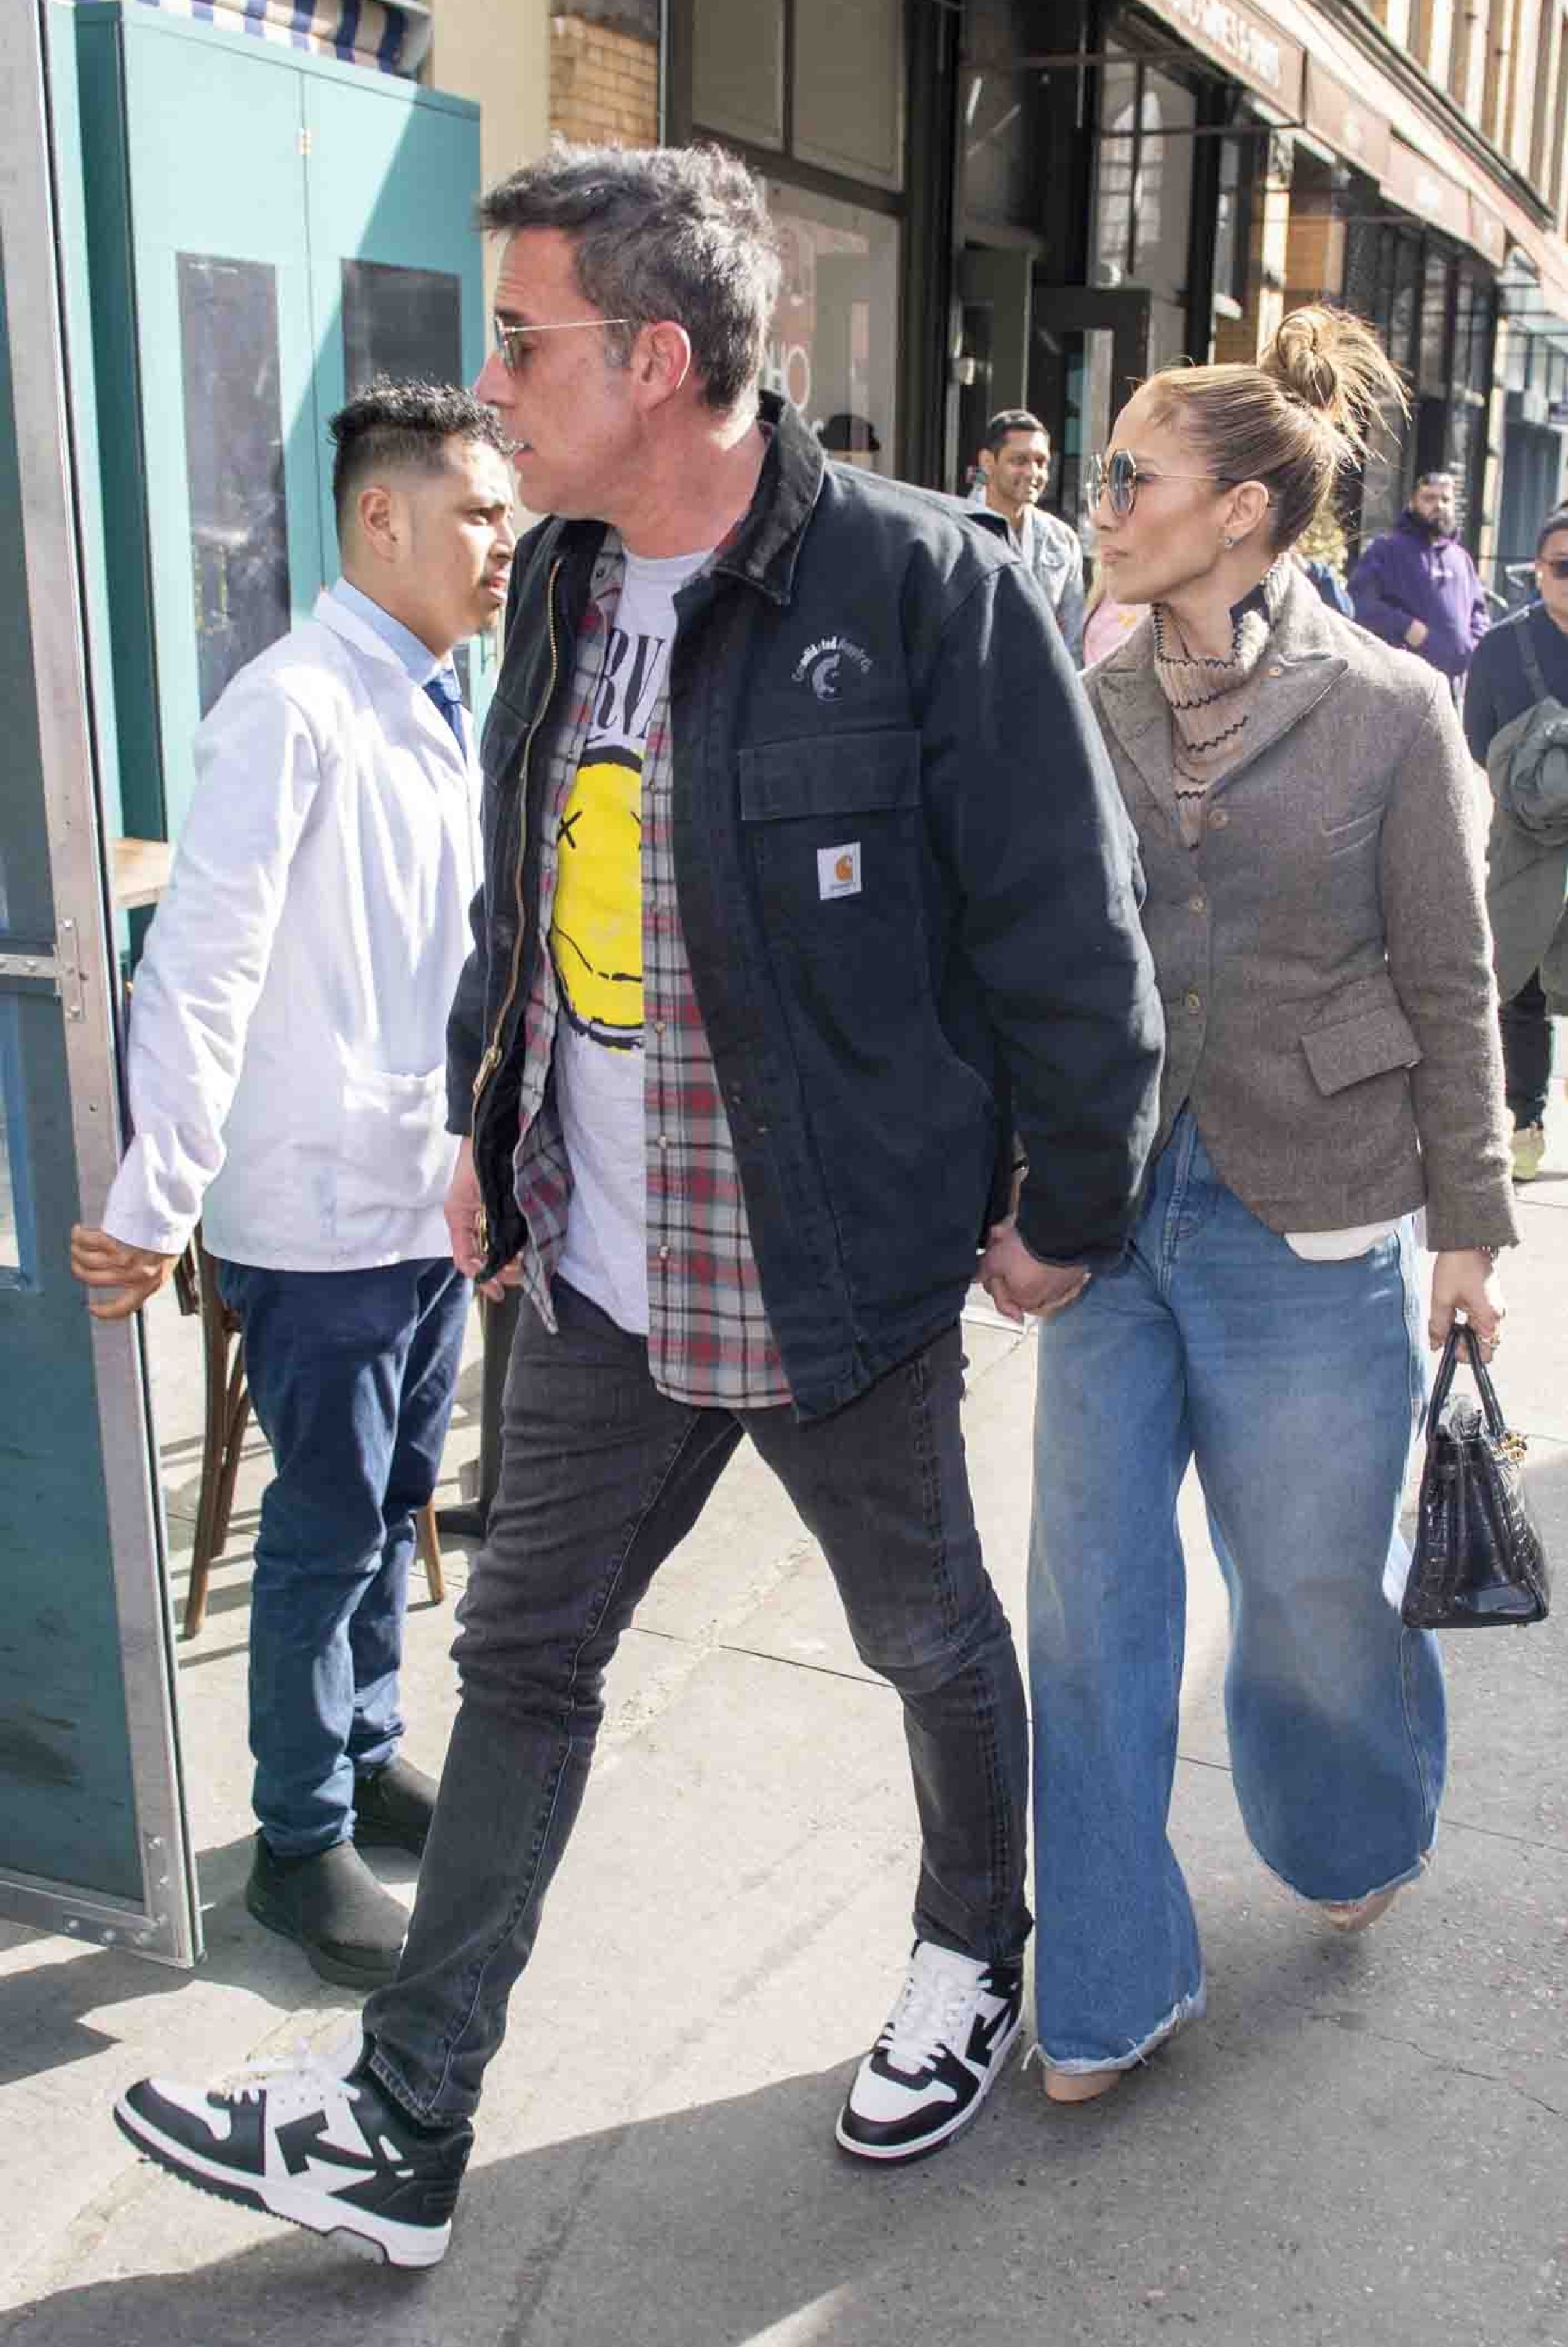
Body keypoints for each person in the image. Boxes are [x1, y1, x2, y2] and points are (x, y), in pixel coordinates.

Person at [111, 142, 1163, 2264]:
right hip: (597, 1272)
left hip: (834, 1267)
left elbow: (1074, 933)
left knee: (924, 1630)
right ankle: (405, 2128)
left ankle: (973, 1948)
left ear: (660, 362)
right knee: (523, 1665)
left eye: (526, 342)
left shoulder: (923, 588)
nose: (491, 386)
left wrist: (1073, 1204)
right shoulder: (575, 587)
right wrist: (489, 1133)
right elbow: (531, 896)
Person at [987, 307, 1516, 2105]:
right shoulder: (1089, 690)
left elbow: (1449, 982)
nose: (1101, 493)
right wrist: (1011, 1184)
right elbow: (1038, 960)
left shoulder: (1386, 708)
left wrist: (1468, 1232)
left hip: (1313, 1217)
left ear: (1233, 513)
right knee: (1087, 1609)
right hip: (1114, 1219)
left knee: (1302, 1596)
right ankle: (1104, 1985)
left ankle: (1346, 1812)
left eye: (1131, 472)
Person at [71, 381, 515, 1986]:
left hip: (420, 1194)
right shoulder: (294, 702)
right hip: (319, 1204)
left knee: (393, 1504)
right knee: (325, 1530)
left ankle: (368, 1744)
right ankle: (296, 1842)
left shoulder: (442, 693)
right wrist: (153, 1199)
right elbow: (202, 962)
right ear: (379, 517)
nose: (502, 540)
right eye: (475, 511)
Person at [1464, 507, 1568, 1183]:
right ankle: (1524, 1120)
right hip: (1527, 836)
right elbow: (1477, 736)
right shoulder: (1502, 646)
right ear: (1537, 570)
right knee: (1521, 982)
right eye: (1563, 567)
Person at [1348, 469, 1489, 688]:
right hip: (1402, 683)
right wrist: (1407, 627)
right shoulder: (1387, 550)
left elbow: (1479, 614)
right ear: (1413, 502)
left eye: (1445, 499)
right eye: (1430, 498)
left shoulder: (1461, 558)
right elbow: (1360, 604)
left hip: (1455, 688)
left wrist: (1471, 647)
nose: (1439, 506)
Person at [968, 408, 1087, 663]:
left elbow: (1073, 644)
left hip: (1038, 691)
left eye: (1041, 462)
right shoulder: (954, 530)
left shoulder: (1062, 540)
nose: (1033, 473)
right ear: (988, 462)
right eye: (1019, 461)